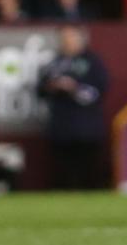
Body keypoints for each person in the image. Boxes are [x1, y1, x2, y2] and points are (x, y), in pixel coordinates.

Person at [36, 25, 111, 191]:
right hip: (61, 128)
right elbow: (40, 90)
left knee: (88, 175)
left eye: (70, 38)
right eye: (63, 39)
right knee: (63, 175)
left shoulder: (92, 62)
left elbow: (97, 92)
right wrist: (52, 87)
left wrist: (74, 88)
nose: (66, 42)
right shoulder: (54, 62)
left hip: (87, 129)